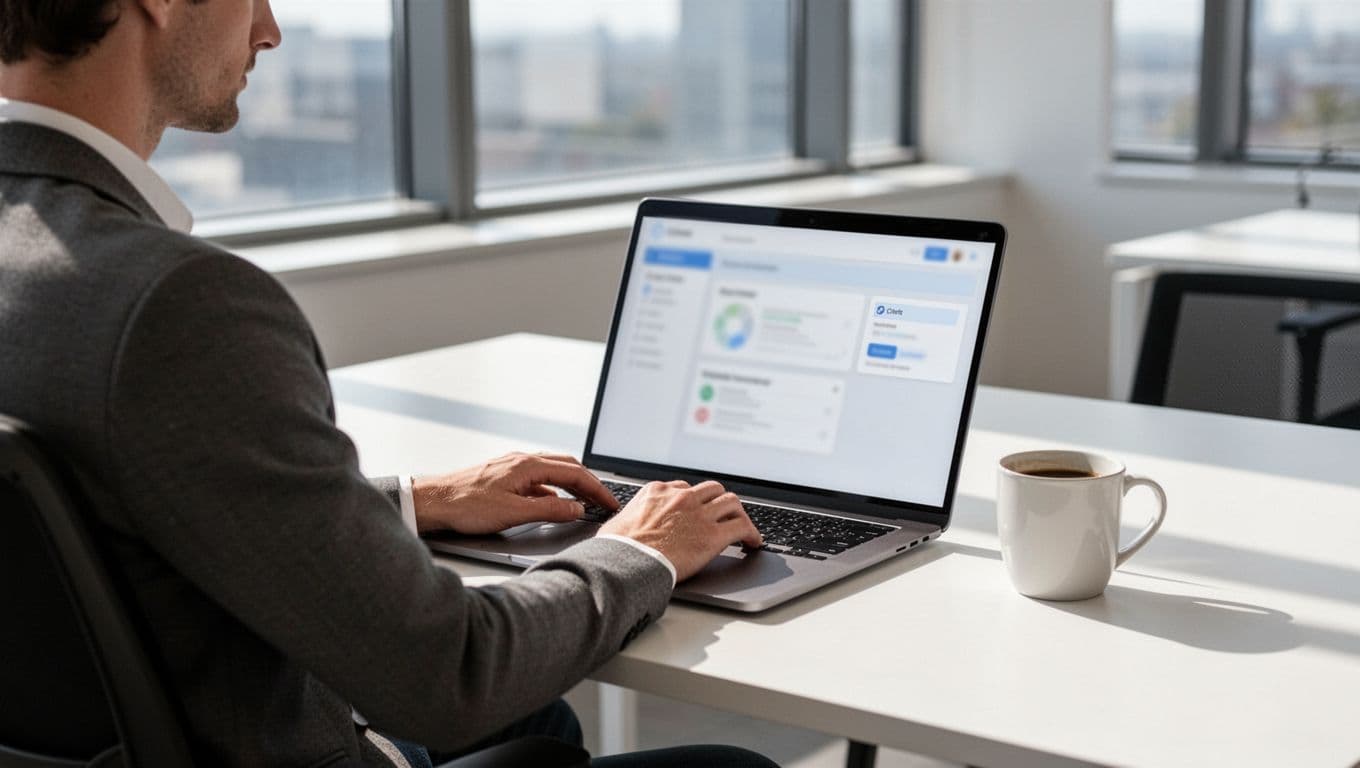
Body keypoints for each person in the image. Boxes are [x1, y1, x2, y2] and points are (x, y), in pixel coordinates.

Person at [0, 1, 776, 766]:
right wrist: (642, 551)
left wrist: (415, 501)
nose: (269, 29)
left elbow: (123, 515)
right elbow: (449, 676)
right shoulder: (179, 304)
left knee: (541, 725)